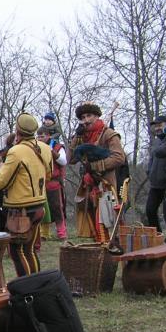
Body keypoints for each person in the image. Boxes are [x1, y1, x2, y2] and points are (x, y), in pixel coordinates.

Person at [0, 113, 53, 277]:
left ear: (18, 130)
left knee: (17, 251)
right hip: (40, 206)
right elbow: (49, 173)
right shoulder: (45, 148)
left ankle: (27, 291)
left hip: (21, 210)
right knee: (30, 250)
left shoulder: (16, 152)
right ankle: (37, 286)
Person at [68, 102, 127, 243]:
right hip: (89, 184)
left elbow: (119, 158)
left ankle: (113, 245)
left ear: (96, 116)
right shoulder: (81, 137)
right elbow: (70, 159)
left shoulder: (109, 134)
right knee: (92, 219)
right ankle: (99, 246)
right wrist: (76, 137)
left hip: (107, 182)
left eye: (89, 115)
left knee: (107, 219)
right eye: (83, 117)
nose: (86, 120)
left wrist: (97, 165)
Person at [37, 126, 68, 240]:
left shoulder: (58, 147)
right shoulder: (35, 147)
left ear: (48, 136)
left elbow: (63, 161)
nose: (40, 139)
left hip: (54, 182)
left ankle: (61, 233)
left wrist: (51, 152)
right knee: (42, 209)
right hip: (40, 183)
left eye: (42, 136)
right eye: (38, 136)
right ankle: (44, 234)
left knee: (57, 208)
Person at [145, 115, 166, 232]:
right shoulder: (156, 141)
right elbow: (151, 159)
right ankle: (157, 236)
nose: (157, 128)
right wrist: (149, 172)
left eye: (159, 125)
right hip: (155, 183)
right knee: (150, 210)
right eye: (155, 126)